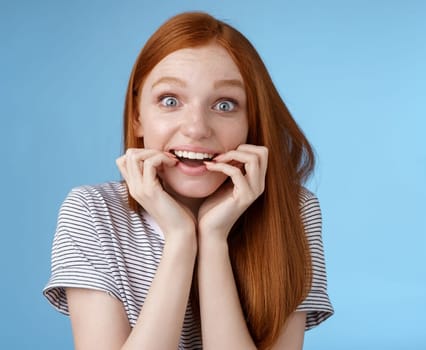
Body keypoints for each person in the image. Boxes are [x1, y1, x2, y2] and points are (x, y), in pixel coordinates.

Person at [43, 11, 333, 350]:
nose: (196, 128)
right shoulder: (92, 212)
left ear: (250, 122)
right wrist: (181, 239)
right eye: (170, 101)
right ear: (137, 116)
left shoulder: (293, 211)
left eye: (225, 105)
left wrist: (213, 240)